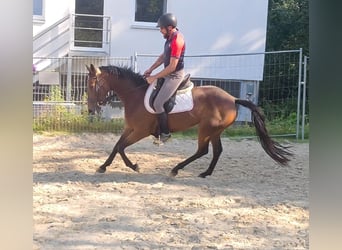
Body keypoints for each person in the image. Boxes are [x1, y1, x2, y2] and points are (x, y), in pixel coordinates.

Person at [144, 13, 186, 144]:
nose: (160, 30)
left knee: (158, 103)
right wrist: (151, 69)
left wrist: (154, 77)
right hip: (168, 73)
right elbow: (163, 57)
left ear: (169, 27)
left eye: (161, 28)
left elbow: (172, 67)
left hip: (174, 75)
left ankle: (165, 133)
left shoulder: (177, 40)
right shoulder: (169, 38)